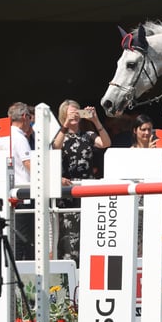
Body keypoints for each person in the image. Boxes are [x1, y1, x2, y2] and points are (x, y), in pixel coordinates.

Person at [52, 100, 111, 265]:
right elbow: (55, 147)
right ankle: (68, 267)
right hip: (68, 190)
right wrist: (65, 124)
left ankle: (88, 266)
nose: (75, 116)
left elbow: (106, 143)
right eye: (71, 113)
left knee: (89, 230)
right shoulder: (60, 135)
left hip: (87, 189)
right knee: (69, 234)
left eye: (77, 112)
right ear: (64, 115)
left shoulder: (88, 135)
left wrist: (95, 121)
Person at [0, 101, 34, 260]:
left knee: (13, 237)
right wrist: (52, 179)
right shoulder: (19, 137)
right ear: (25, 116)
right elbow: (29, 164)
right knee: (26, 240)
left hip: (8, 192)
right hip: (24, 193)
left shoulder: (2, 138)